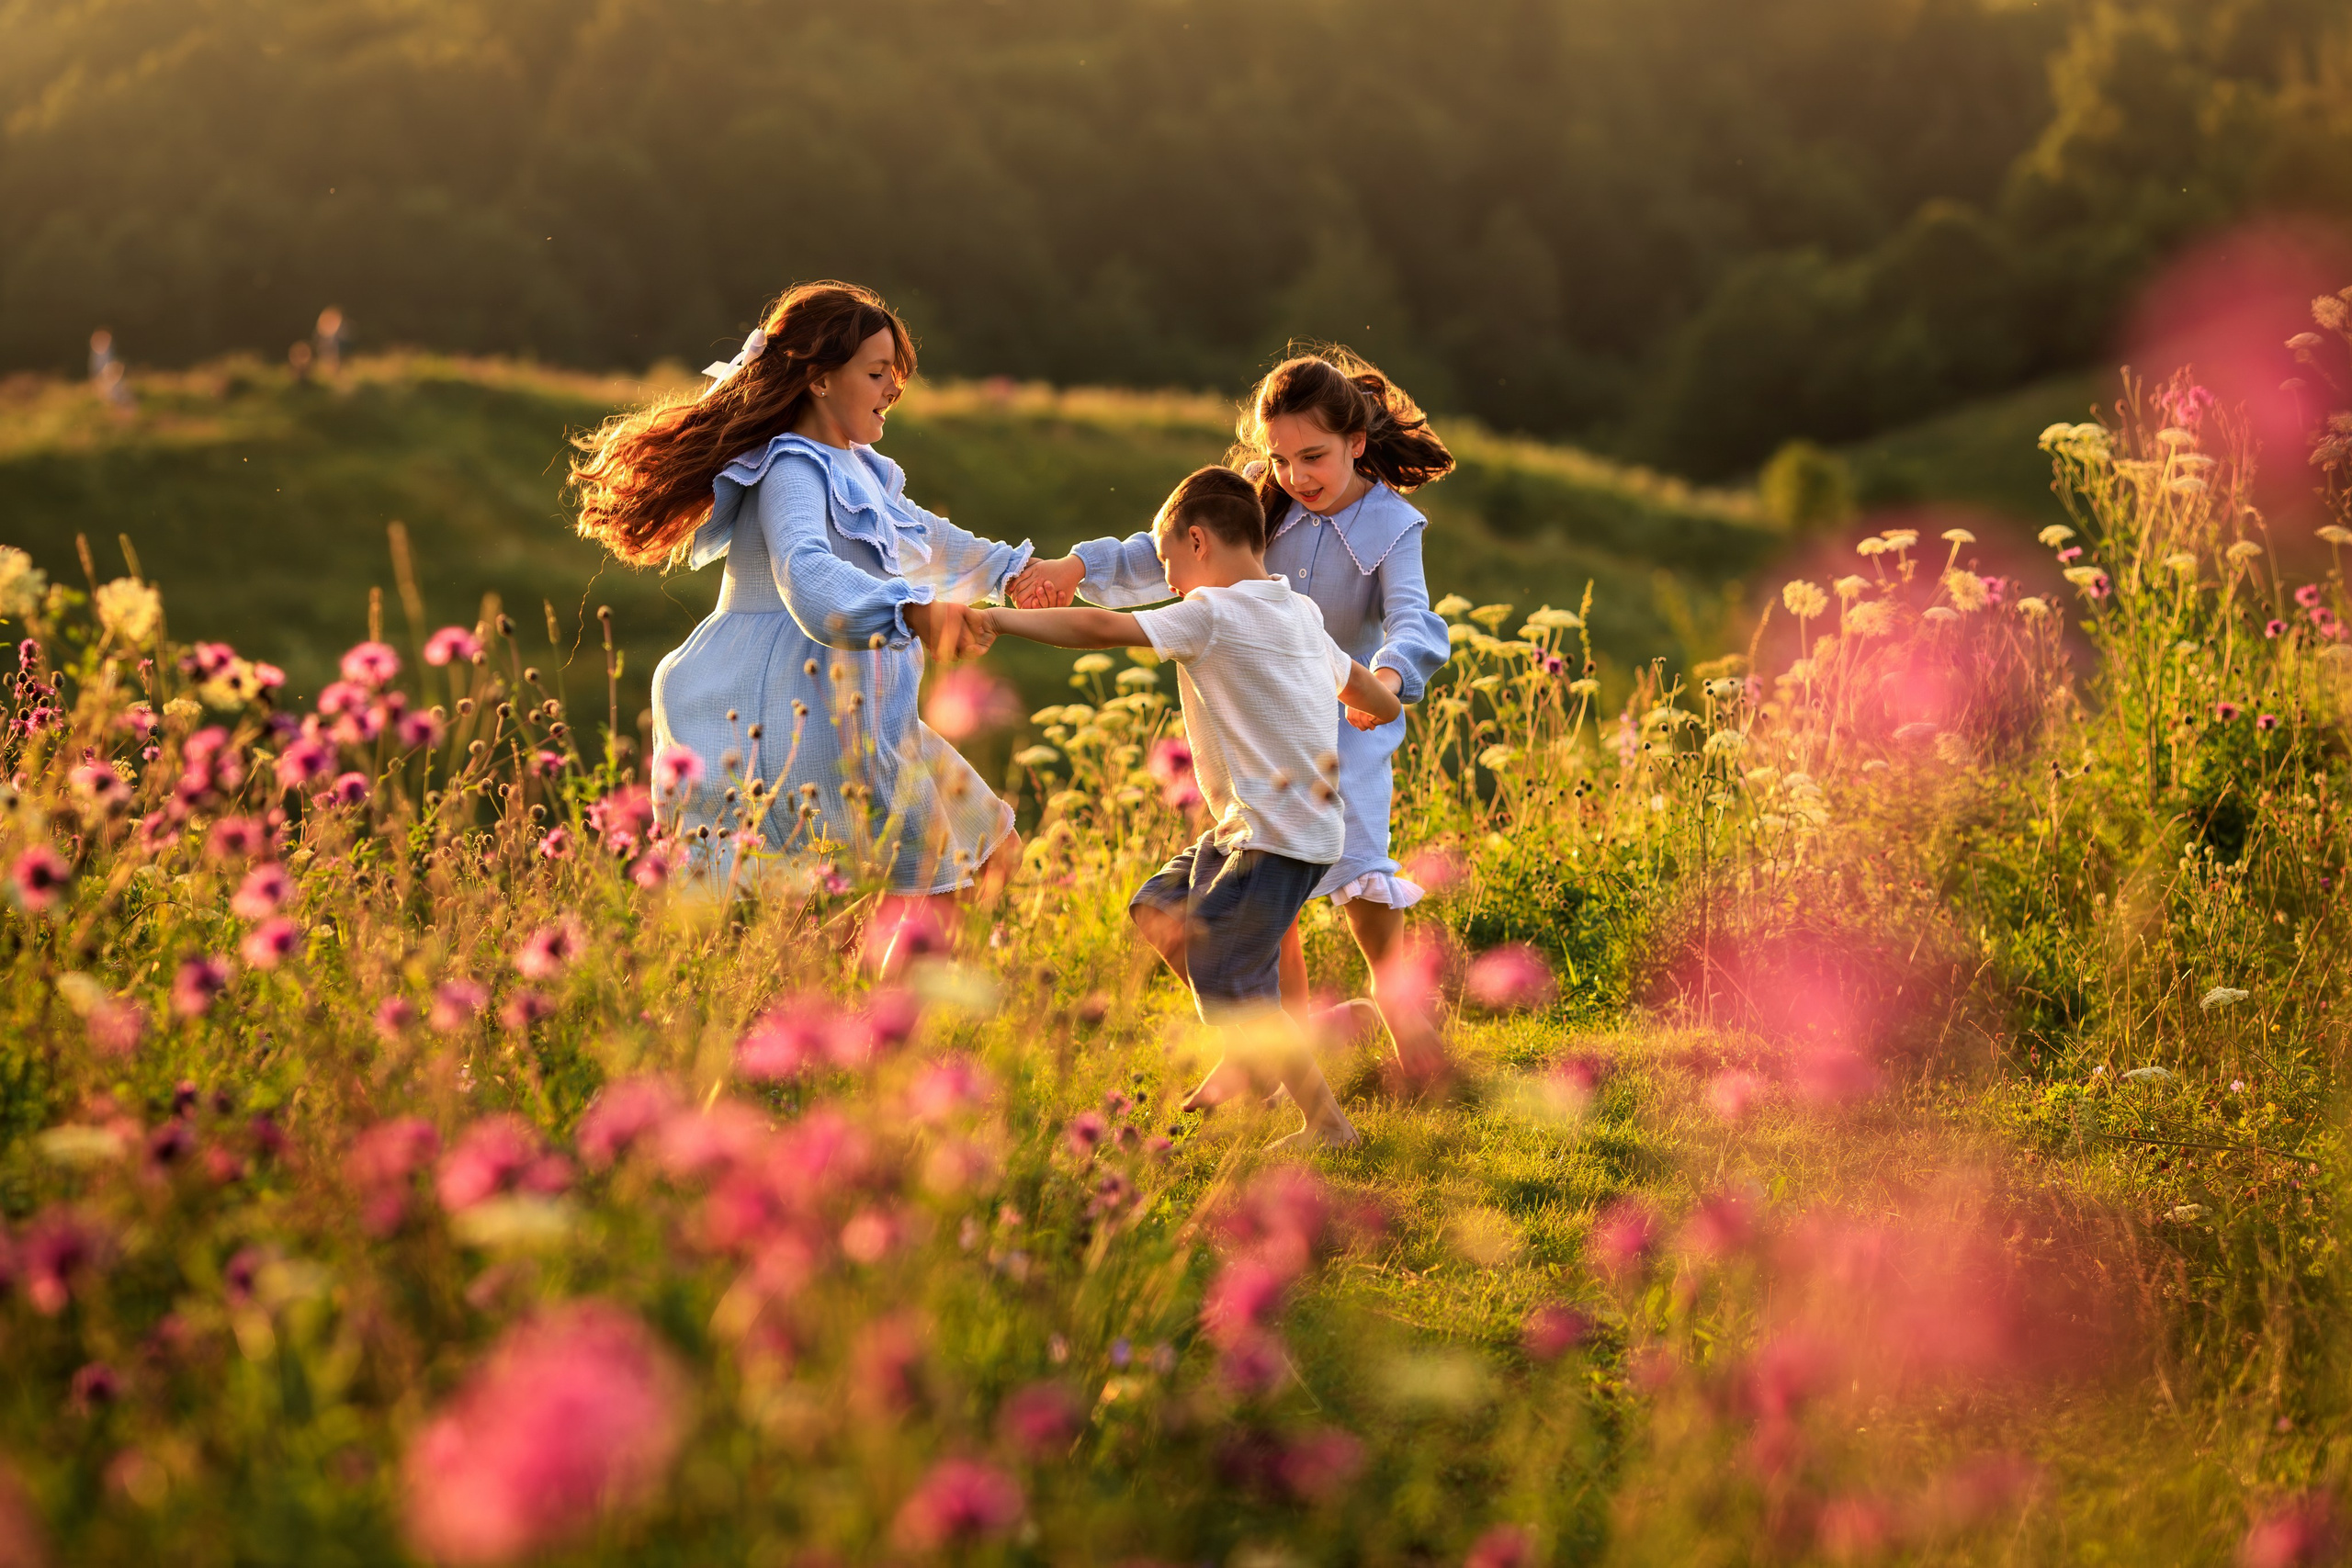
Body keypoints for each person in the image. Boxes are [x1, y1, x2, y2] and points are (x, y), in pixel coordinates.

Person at [1010, 348, 1454, 1085]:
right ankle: (1282, 1054)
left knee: (1364, 890)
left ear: (1357, 442)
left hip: (1348, 726)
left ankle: (1417, 1049)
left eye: (1313, 456)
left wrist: (1385, 677)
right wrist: (1075, 568)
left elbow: (1413, 619)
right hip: (1261, 727)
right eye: (1279, 458)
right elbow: (1167, 549)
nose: (1296, 476)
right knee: (1261, 886)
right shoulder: (1263, 498)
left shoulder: (1392, 526)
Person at [569, 281, 1023, 951]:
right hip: (799, 704)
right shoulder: (791, 466)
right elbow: (808, 575)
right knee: (873, 896)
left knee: (971, 861)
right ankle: (864, 1033)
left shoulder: (861, 469)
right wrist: (911, 607)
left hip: (857, 706)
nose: (891, 391)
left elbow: (937, 543)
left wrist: (1027, 574)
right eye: (876, 374)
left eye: (895, 377)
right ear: (818, 379)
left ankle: (861, 1029)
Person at [986, 467, 1401, 1148]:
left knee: (1231, 974)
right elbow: (1373, 694)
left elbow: (1099, 629)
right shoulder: (1299, 613)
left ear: (1199, 541)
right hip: (1261, 829)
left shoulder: (1211, 612)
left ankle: (1325, 1122)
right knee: (1160, 908)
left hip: (1275, 836)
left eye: (1169, 561)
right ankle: (1252, 1053)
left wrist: (994, 619)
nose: (1170, 580)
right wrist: (1369, 703)